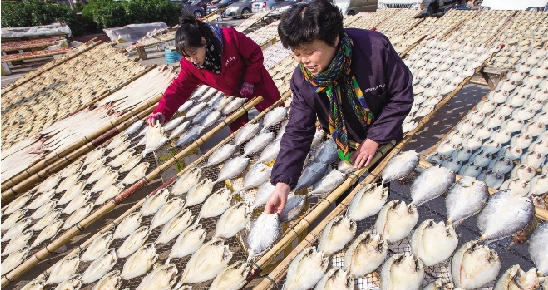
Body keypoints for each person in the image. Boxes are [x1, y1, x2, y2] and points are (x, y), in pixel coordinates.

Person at [264, 0, 414, 214]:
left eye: (309, 51)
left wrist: (375, 139)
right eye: (296, 53)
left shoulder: (376, 50)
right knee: (345, 200)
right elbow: (298, 130)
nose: (303, 60)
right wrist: (282, 183)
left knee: (378, 191)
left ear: (334, 39)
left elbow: (401, 94)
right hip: (343, 142)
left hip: (383, 135)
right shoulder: (303, 80)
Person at [146, 10, 281, 132]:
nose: (193, 59)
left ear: (203, 41)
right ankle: (246, 153)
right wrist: (161, 112)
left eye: (194, 53)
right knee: (240, 132)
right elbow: (178, 89)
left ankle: (279, 135)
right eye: (187, 56)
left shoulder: (229, 38)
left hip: (257, 81)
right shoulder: (190, 67)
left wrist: (250, 81)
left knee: (274, 115)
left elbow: (255, 54)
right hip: (232, 95)